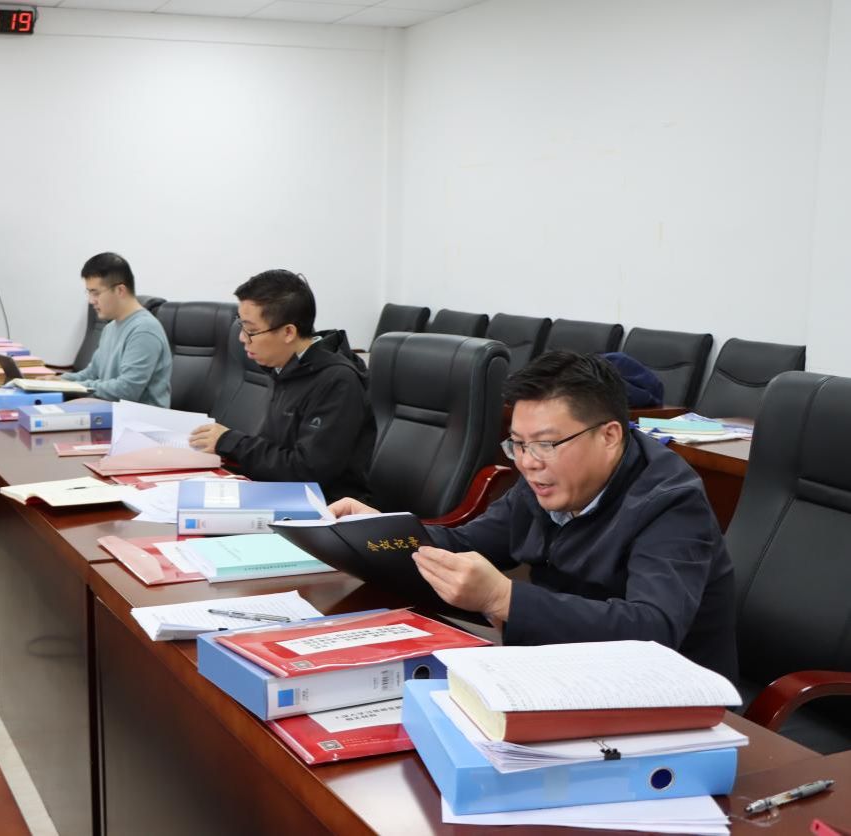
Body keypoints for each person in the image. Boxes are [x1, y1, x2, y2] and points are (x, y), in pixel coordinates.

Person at [329, 351, 738, 681]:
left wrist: (503, 598)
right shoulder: (545, 477)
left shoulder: (671, 502)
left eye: (545, 444)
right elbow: (467, 544)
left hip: (666, 698)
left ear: (610, 436)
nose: (527, 462)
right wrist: (378, 530)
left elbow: (653, 630)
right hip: (562, 670)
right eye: (518, 444)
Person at [188, 269, 375, 503]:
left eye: (251, 331)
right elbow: (277, 450)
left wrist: (230, 442)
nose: (242, 338)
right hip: (278, 493)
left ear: (288, 332)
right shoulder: (286, 368)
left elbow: (307, 472)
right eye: (241, 326)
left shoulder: (338, 381)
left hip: (325, 508)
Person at [60, 252, 172, 407]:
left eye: (96, 293)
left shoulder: (144, 330)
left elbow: (127, 390)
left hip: (141, 419)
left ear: (120, 290)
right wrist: (59, 381)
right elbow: (92, 373)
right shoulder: (110, 328)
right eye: (89, 292)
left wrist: (74, 387)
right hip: (112, 412)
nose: (91, 300)